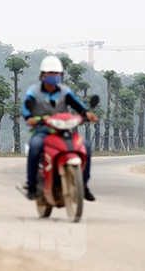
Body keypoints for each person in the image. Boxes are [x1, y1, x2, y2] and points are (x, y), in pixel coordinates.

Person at [22, 55, 99, 201]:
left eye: (57, 73)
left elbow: (77, 104)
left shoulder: (65, 91)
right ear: (42, 74)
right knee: (35, 146)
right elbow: (26, 106)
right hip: (42, 130)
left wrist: (87, 113)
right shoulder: (34, 91)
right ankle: (32, 185)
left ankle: (84, 185)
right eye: (50, 73)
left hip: (64, 130)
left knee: (86, 146)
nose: (54, 76)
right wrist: (29, 118)